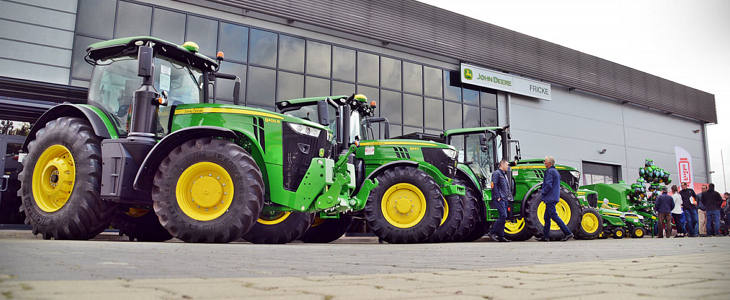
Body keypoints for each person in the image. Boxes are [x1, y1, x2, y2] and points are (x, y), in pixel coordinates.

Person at [537, 156, 573, 242]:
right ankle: (545, 236)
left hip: (550, 197)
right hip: (554, 197)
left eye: (545, 162)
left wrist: (542, 192)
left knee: (554, 216)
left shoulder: (549, 171)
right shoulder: (555, 171)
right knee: (546, 217)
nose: (544, 163)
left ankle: (568, 233)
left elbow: (548, 185)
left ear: (549, 163)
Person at [487, 160, 512, 242]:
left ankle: (501, 236)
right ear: (502, 164)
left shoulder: (504, 175)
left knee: (504, 217)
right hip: (499, 199)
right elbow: (493, 185)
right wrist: (498, 197)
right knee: (503, 215)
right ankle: (492, 232)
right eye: (507, 165)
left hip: (504, 199)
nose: (508, 166)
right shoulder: (496, 173)